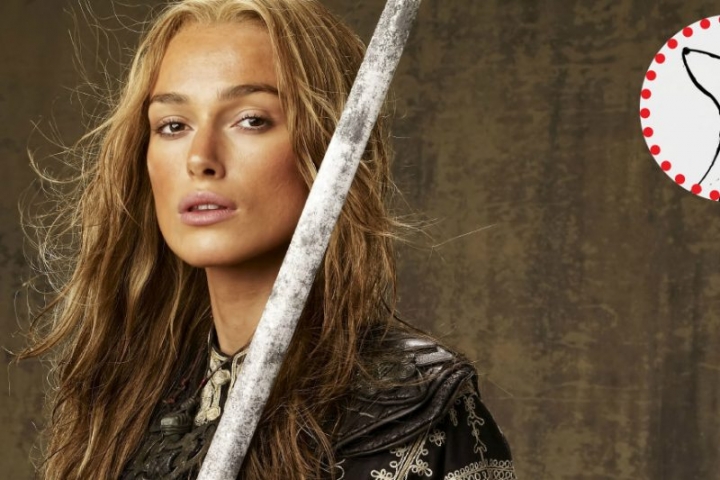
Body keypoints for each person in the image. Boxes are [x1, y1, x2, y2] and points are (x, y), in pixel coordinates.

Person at [20, 0, 517, 478]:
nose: (200, 157)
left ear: (324, 143)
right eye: (173, 125)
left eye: (251, 120)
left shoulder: (417, 405)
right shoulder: (126, 402)